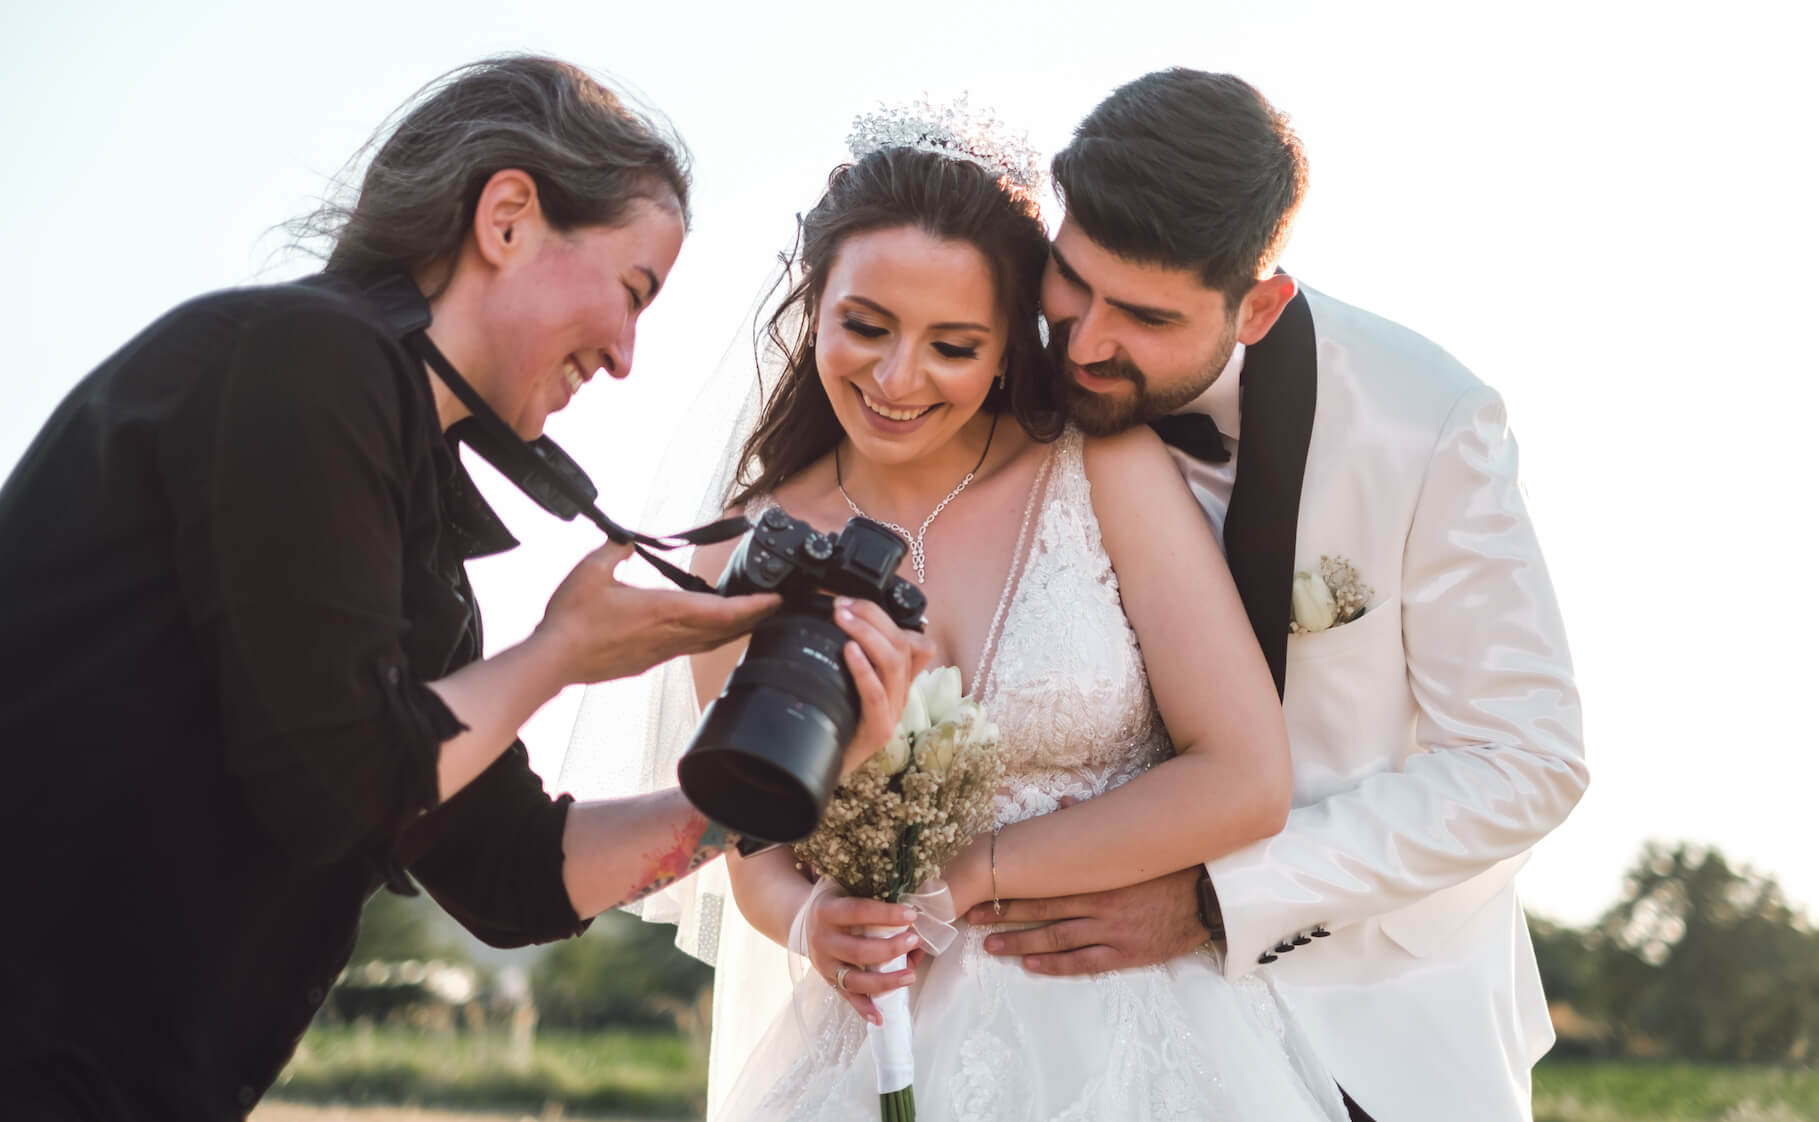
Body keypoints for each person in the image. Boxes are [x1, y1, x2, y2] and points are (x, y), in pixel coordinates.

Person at [0, 56, 928, 1121]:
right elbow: (335, 782)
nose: (627, 356)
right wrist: (559, 655)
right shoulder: (303, 359)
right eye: (633, 292)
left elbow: (514, 876)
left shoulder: (414, 531)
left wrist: (776, 784)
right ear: (507, 217)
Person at [565, 104, 1346, 1120]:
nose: (897, 380)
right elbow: (752, 847)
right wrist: (810, 923)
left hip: (1139, 1042)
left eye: (952, 344)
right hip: (883, 1047)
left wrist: (967, 877)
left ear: (1007, 343)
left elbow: (1244, 776)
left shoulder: (1100, 465)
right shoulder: (740, 553)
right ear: (814, 306)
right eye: (865, 326)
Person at [959, 69, 1590, 1121]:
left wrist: (1220, 900)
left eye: (1146, 316)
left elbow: (1525, 761)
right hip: (1054, 1025)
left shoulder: (1423, 420)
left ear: (1258, 304)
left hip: (1374, 1028)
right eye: (1075, 282)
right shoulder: (990, 371)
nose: (1085, 341)